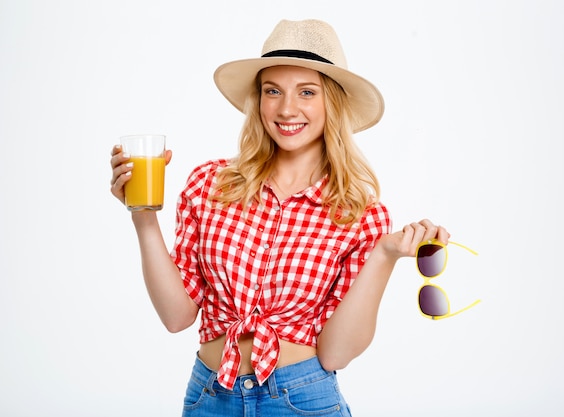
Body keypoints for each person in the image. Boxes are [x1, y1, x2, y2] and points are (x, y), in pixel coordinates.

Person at [109, 19, 450, 417]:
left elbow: (336, 353)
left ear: (332, 104)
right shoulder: (209, 184)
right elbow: (176, 316)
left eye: (307, 92)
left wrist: (384, 255)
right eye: (273, 91)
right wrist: (143, 215)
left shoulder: (360, 212)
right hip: (209, 397)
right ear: (259, 101)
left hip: (301, 400)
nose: (287, 109)